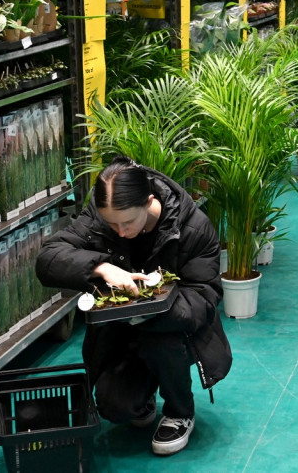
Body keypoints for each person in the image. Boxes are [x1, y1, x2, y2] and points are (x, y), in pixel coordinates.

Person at [35, 157, 231, 456]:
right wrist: (101, 267)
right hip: (122, 331)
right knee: (115, 407)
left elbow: (204, 296)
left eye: (128, 222)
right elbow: (48, 258)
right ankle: (142, 396)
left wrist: (153, 308)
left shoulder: (192, 227)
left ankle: (180, 412)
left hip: (177, 331)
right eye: (112, 223)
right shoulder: (101, 218)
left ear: (149, 202)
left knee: (159, 344)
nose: (120, 232)